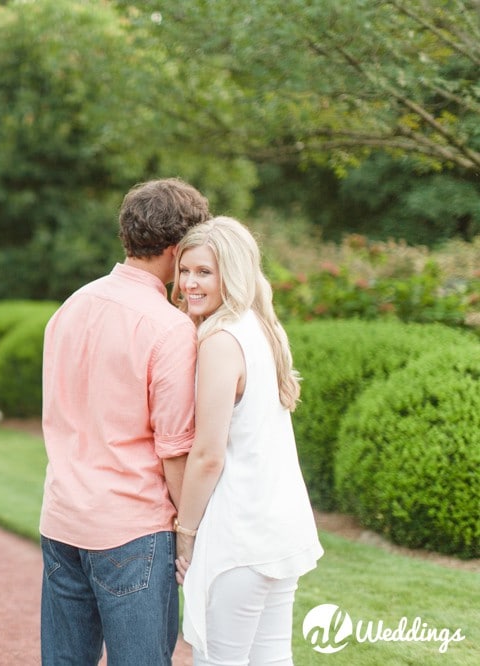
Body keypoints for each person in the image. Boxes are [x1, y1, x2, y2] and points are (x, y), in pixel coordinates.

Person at [40, 177, 211, 665]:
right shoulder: (170, 327)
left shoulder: (71, 306)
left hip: (61, 517)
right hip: (133, 528)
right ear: (178, 249)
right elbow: (174, 448)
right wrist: (191, 527)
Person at [171, 216, 324, 665]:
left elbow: (207, 456)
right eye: (185, 270)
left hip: (240, 536)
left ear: (232, 275)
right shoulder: (262, 328)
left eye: (204, 272)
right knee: (271, 659)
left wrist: (186, 534)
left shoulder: (220, 341)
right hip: (278, 529)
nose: (189, 284)